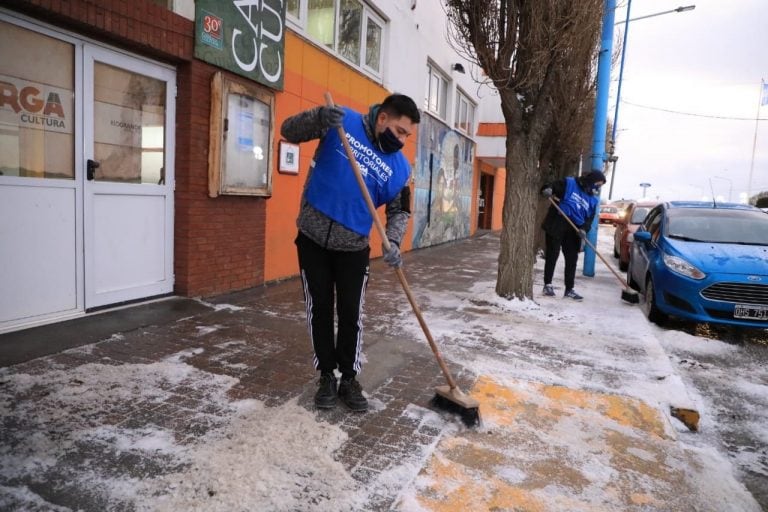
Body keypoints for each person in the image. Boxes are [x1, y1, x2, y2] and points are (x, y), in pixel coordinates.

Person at [281, 94, 420, 412]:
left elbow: (400, 211)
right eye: (400, 131)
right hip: (312, 238)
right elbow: (289, 130)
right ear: (382, 118)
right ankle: (326, 376)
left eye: (407, 136)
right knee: (319, 310)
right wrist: (318, 117)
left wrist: (394, 243)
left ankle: (349, 378)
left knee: (350, 315)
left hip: (354, 248)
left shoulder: (399, 168)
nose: (402, 140)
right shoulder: (340, 121)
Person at [540, 170, 606, 301]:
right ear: (591, 181)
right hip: (558, 221)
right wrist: (547, 189)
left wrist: (584, 229)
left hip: (574, 228)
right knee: (552, 254)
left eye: (600, 186)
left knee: (572, 259)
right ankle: (547, 285)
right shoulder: (570, 183)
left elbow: (589, 219)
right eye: (597, 184)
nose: (597, 188)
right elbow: (552, 186)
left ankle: (569, 289)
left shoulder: (593, 201)